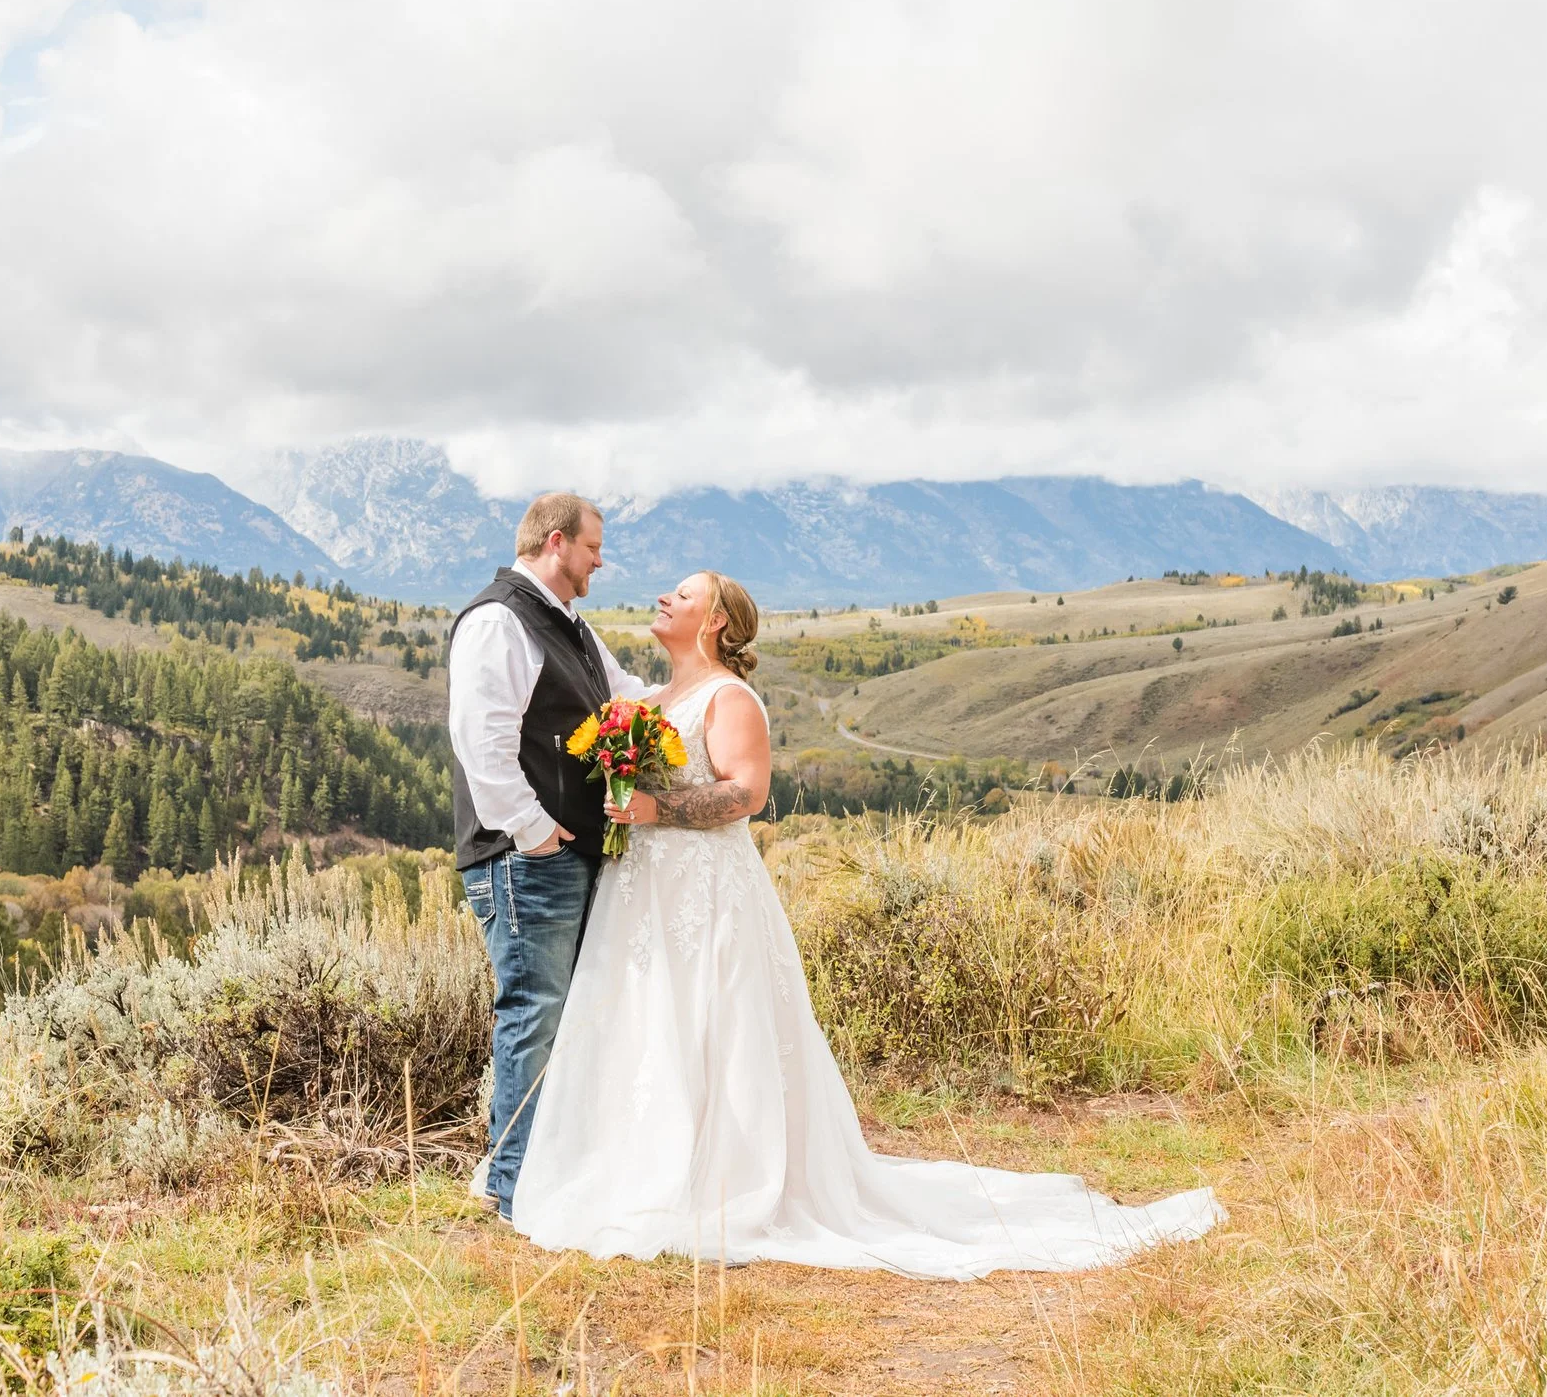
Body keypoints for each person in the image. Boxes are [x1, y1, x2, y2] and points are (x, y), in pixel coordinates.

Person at [508, 570, 1225, 1277]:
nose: (666, 597)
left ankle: (721, 1178)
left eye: (684, 593)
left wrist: (658, 810)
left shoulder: (730, 698)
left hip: (709, 895)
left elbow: (747, 792)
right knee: (650, 1022)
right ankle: (641, 1169)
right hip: (645, 894)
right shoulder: (651, 698)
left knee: (714, 1024)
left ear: (716, 620)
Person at [446, 492, 652, 1223]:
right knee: (533, 1016)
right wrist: (533, 831)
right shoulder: (499, 619)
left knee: (564, 1018)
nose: (601, 559)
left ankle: (546, 1177)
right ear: (557, 542)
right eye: (594, 546)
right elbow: (482, 740)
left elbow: (626, 698)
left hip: (562, 856)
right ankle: (512, 1191)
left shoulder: (571, 626)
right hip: (525, 859)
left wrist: (707, 689)